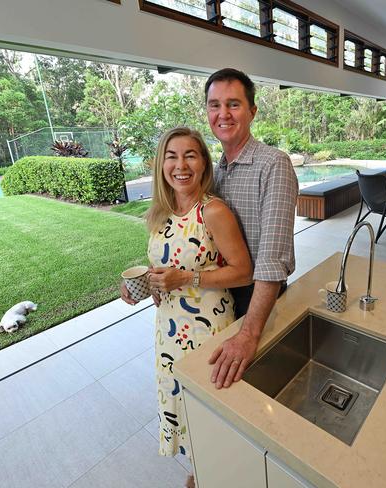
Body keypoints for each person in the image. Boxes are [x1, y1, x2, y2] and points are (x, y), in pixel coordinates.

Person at [120, 127, 252, 487]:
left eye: (190, 155)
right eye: (172, 156)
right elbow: (167, 263)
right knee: (181, 402)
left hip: (206, 330)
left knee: (207, 407)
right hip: (169, 331)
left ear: (203, 163)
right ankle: (200, 471)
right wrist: (143, 284)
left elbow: (243, 273)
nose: (181, 165)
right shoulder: (160, 213)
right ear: (161, 163)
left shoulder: (213, 211)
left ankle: (211, 474)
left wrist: (187, 279)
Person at [204, 68, 299, 390]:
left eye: (233, 104)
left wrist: (249, 334)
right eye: (214, 105)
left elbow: (273, 258)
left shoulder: (273, 165)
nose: (223, 114)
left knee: (257, 390)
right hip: (218, 297)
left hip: (257, 298)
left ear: (252, 111)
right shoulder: (213, 173)